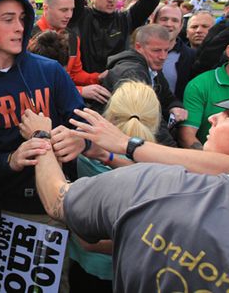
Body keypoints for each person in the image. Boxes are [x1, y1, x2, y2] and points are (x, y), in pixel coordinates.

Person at [30, 55, 229, 292]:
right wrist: (117, 151)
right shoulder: (155, 180)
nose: (212, 117)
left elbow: (58, 199)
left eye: (228, 113)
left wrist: (40, 136)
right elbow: (227, 166)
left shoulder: (151, 186)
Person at [0, 0, 86, 216]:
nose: (19, 27)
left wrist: (80, 141)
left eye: (23, 18)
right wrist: (10, 160)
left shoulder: (51, 71)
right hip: (1, 209)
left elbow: (85, 125)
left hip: (56, 207)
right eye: (8, 19)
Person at [67, 81, 160, 293]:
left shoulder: (89, 155)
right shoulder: (165, 164)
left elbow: (88, 239)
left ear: (110, 114)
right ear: (155, 120)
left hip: (88, 264)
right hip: (133, 271)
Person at [102, 24, 187, 146]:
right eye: (156, 50)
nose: (163, 57)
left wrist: (175, 106)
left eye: (166, 50)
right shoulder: (132, 73)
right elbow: (149, 120)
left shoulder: (152, 67)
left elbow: (168, 97)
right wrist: (176, 155)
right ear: (138, 47)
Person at [33, 0, 110, 104]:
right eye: (63, 10)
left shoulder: (73, 38)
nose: (69, 15)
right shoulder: (28, 37)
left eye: (72, 9)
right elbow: (34, 83)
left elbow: (75, 74)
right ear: (46, 8)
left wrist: (97, 77)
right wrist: (79, 91)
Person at [152, 3, 195, 100]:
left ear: (181, 26)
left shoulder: (190, 56)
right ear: (154, 22)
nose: (169, 24)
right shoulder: (139, 51)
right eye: (164, 19)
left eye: (175, 20)